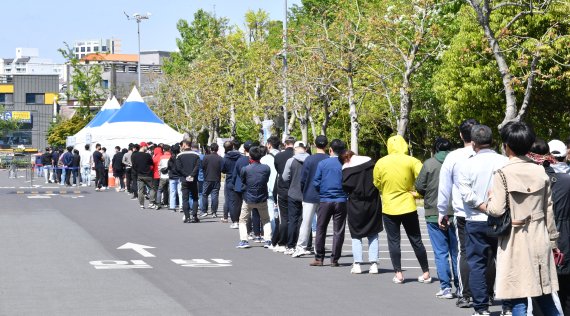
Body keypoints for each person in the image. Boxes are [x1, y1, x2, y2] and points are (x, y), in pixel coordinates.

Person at [485, 122, 560, 316]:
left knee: (518, 298)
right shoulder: (540, 171)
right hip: (539, 237)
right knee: (545, 296)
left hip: (515, 240)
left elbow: (496, 209)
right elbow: (548, 210)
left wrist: (488, 199)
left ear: (506, 146)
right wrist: (553, 242)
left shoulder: (502, 173)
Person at [457, 125, 508, 316]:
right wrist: (495, 208)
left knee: (477, 264)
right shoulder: (504, 162)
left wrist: (483, 207)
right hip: (502, 219)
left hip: (476, 219)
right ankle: (508, 306)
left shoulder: (467, 165)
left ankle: (481, 308)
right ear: (493, 141)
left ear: (473, 143)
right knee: (503, 262)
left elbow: (466, 193)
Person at [373, 135, 430, 284]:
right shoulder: (411, 161)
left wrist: (386, 190)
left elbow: (377, 183)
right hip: (408, 205)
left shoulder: (381, 162)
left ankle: (398, 274)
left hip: (389, 207)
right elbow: (424, 178)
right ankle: (426, 273)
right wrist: (416, 193)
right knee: (416, 240)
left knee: (393, 241)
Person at [437, 118, 479, 308]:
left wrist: (442, 210)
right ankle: (487, 292)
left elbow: (444, 187)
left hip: (462, 212)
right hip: (488, 211)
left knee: (464, 252)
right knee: (487, 253)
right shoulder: (492, 156)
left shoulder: (453, 157)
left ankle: (466, 293)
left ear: (461, 135)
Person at [528, 138, 569, 315]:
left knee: (540, 290)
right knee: (566, 289)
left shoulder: (537, 179)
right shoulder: (566, 179)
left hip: (541, 234)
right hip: (566, 234)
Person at [415, 137, 458, 298]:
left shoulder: (429, 163)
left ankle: (445, 288)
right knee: (456, 252)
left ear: (435, 148)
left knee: (440, 253)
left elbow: (419, 186)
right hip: (455, 212)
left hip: (433, 212)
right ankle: (460, 287)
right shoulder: (457, 162)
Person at [340, 150, 382, 274]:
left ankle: (357, 264)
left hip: (355, 203)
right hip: (373, 202)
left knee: (356, 234)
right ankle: (374, 264)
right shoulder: (370, 163)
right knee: (373, 232)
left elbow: (345, 187)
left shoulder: (346, 169)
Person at [310, 139, 348, 267]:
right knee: (339, 230)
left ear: (330, 150)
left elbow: (316, 182)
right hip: (341, 200)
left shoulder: (323, 164)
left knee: (321, 228)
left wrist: (322, 191)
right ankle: (334, 259)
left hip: (325, 200)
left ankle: (319, 258)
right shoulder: (345, 164)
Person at [292, 135, 329, 258]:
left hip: (309, 194)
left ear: (314, 144)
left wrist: (304, 190)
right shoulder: (329, 159)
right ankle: (319, 249)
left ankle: (300, 247)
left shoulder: (309, 159)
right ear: (327, 146)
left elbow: (303, 179)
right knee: (321, 224)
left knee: (306, 223)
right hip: (324, 195)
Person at [236, 146, 272, 249]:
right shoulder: (266, 168)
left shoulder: (245, 169)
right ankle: (268, 240)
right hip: (262, 197)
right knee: (265, 219)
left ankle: (244, 240)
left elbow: (243, 181)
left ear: (250, 157)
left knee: (242, 220)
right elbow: (266, 180)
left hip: (248, 198)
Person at [282, 141, 310, 255]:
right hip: (307, 194)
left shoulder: (291, 160)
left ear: (295, 149)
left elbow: (284, 177)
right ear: (305, 148)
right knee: (306, 220)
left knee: (293, 220)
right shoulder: (310, 160)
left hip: (293, 192)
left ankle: (291, 245)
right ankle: (306, 245)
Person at [273, 136, 296, 252]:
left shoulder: (278, 156)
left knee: (284, 217)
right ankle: (295, 242)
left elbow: (278, 171)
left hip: (282, 188)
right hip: (296, 189)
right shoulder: (299, 156)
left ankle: (282, 242)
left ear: (285, 143)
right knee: (296, 217)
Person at [260, 136, 281, 242]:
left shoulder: (264, 159)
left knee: (270, 213)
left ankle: (273, 235)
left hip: (269, 188)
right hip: (281, 188)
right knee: (282, 214)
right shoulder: (283, 156)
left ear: (269, 145)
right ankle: (281, 234)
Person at [176, 140, 201, 223]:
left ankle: (187, 217)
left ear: (185, 145)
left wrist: (186, 175)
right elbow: (197, 167)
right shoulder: (196, 155)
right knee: (195, 198)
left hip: (184, 179)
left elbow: (179, 168)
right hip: (193, 179)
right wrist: (191, 175)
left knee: (185, 198)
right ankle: (194, 216)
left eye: (182, 144)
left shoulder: (179, 156)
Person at [222, 140, 242, 226]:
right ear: (232, 146)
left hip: (229, 178)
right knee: (239, 200)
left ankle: (235, 221)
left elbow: (222, 169)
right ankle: (240, 218)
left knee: (231, 200)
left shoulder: (225, 158)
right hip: (239, 178)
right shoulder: (240, 156)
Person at [132, 142, 158, 209]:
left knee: (141, 190)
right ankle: (151, 203)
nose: (147, 148)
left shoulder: (134, 155)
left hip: (139, 175)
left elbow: (134, 166)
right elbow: (152, 164)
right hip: (148, 175)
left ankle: (141, 205)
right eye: (146, 146)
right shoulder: (147, 155)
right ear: (143, 146)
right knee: (152, 188)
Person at [202, 143, 223, 218]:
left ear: (210, 149)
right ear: (217, 149)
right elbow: (222, 169)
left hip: (207, 178)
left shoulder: (206, 157)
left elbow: (203, 167)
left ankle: (204, 211)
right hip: (217, 179)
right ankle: (214, 212)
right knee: (215, 195)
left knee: (204, 195)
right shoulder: (220, 158)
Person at [168, 143, 183, 212]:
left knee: (172, 192)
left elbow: (169, 167)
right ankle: (181, 206)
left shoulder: (170, 159)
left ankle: (172, 206)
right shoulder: (180, 158)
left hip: (172, 177)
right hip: (179, 176)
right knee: (180, 192)